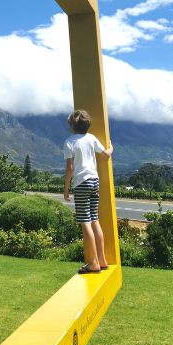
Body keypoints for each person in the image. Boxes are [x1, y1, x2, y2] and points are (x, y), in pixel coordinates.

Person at [63, 109, 114, 275]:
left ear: (72, 126)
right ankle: (102, 260)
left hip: (81, 183)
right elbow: (106, 154)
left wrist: (66, 190)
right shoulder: (91, 138)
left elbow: (70, 168)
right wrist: (111, 147)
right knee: (94, 219)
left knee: (85, 222)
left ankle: (93, 263)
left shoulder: (70, 142)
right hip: (94, 181)